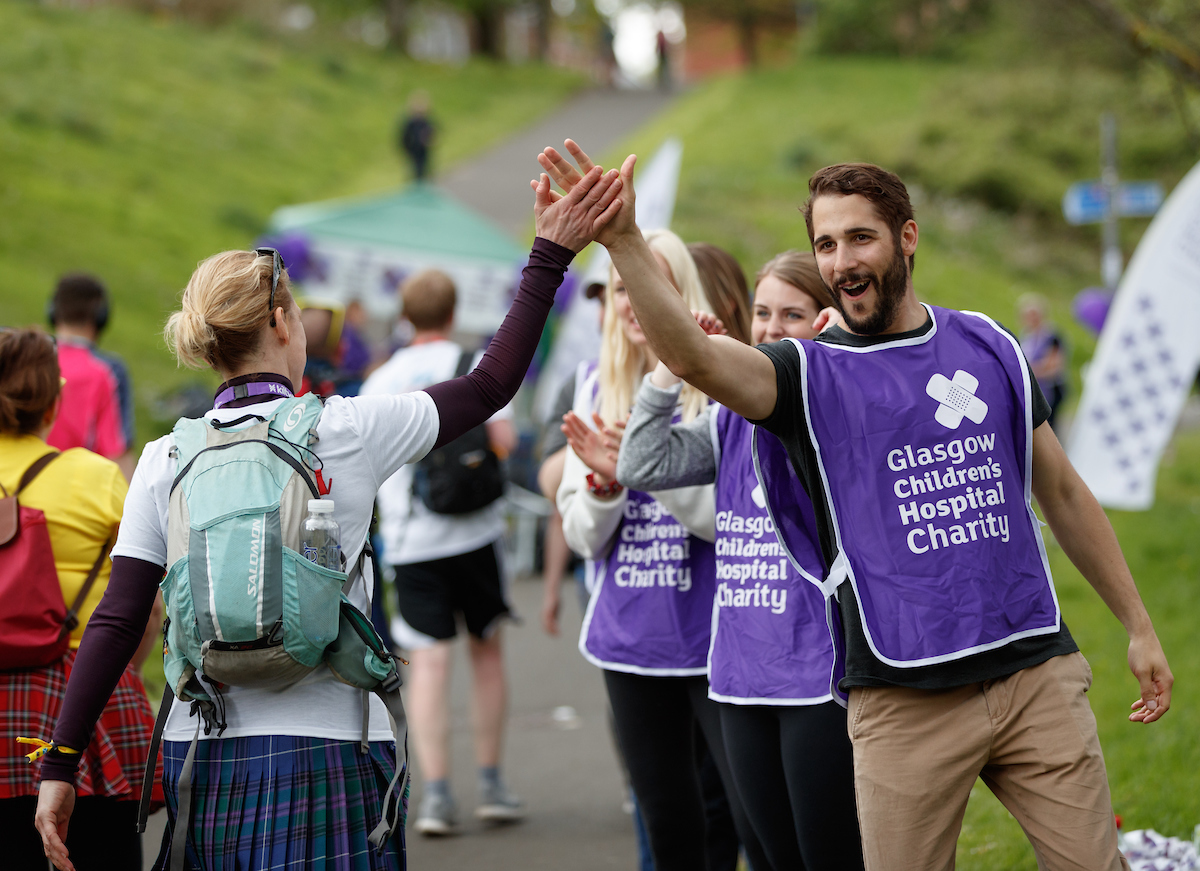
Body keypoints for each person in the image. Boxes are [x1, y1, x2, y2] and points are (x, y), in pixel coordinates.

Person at [542, 141, 1172, 871]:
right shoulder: (806, 374)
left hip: (1034, 672)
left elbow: (1059, 490)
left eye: (860, 237)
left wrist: (1138, 623)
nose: (843, 261)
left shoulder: (988, 346)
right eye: (826, 244)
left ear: (907, 237)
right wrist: (623, 242)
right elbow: (696, 359)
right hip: (903, 699)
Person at [34, 164, 624, 871]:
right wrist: (549, 253)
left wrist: (61, 762)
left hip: (203, 746)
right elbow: (491, 382)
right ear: (282, 320)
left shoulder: (166, 459)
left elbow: (118, 618)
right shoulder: (346, 430)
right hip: (331, 742)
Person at [617, 251, 864, 870]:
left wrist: (837, 362)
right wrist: (671, 369)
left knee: (829, 858)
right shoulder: (730, 416)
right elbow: (640, 465)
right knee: (771, 858)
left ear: (823, 321)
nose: (772, 328)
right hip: (738, 676)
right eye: (762, 313)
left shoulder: (838, 411)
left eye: (792, 314)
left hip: (819, 680)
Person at [557, 228, 767, 871]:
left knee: (745, 819)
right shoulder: (592, 384)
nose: (634, 301)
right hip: (631, 641)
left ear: (682, 296)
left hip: (719, 640)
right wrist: (603, 483)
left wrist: (643, 462)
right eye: (622, 288)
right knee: (666, 823)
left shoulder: (726, 375)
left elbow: (723, 520)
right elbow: (582, 537)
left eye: (653, 286)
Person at [359, 268, 522, 836]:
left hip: (412, 542)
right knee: (487, 654)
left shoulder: (380, 381)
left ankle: (437, 797)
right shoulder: (479, 367)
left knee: (427, 665)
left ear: (406, 316)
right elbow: (503, 442)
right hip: (477, 534)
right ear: (454, 313)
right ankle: (494, 785)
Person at [0, 327, 161, 871]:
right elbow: (146, 605)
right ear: (52, 399)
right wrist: (123, 669)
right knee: (100, 854)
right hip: (84, 702)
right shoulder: (98, 478)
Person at [46, 273, 135, 478]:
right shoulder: (107, 370)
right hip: (75, 488)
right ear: (101, 316)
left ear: (52, 311)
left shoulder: (24, 356)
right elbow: (118, 454)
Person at [1017, 292, 1067, 429]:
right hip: (1035, 387)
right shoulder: (1026, 336)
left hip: (1050, 388)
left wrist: (1029, 372)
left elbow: (1053, 365)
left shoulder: (1051, 336)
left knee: (1049, 426)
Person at [399, 91, 436, 182]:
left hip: (424, 150)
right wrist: (407, 149)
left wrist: (430, 140)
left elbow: (432, 132)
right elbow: (404, 137)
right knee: (416, 171)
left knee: (426, 170)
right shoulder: (410, 123)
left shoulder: (426, 121)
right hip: (413, 150)